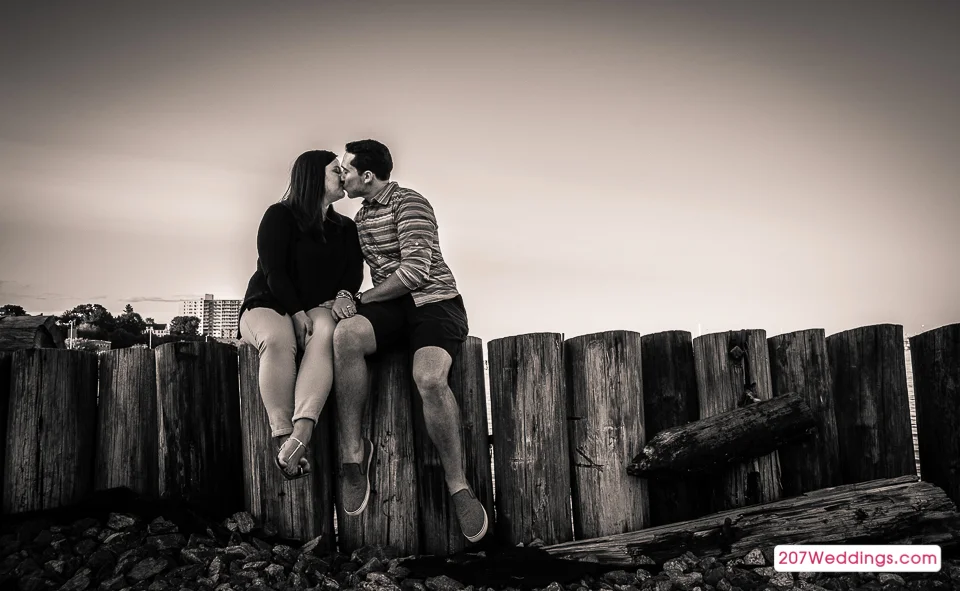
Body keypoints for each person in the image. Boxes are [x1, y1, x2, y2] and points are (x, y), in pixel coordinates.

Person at [331, 139, 488, 542]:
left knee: (431, 378)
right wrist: (350, 296)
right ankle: (354, 455)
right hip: (394, 308)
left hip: (435, 302)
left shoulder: (410, 202)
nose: (341, 174)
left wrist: (364, 297)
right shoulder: (361, 217)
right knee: (346, 335)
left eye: (345, 168)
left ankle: (458, 484)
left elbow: (416, 271)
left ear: (367, 175)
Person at [238, 150, 363, 480]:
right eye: (336, 170)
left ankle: (300, 436)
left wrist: (343, 295)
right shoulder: (279, 215)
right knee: (277, 339)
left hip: (318, 308)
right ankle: (283, 439)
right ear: (313, 177)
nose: (344, 175)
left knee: (327, 334)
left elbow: (353, 274)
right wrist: (294, 312)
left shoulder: (345, 228)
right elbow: (273, 271)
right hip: (268, 303)